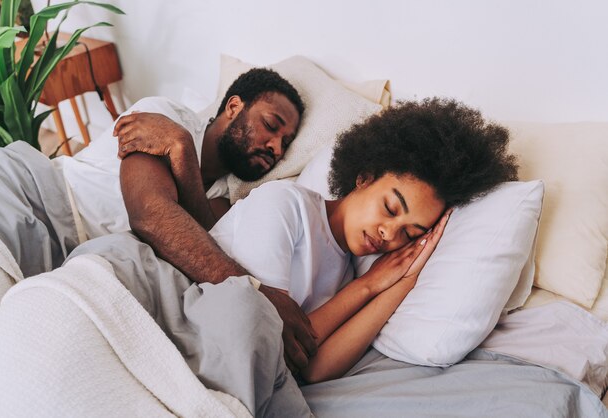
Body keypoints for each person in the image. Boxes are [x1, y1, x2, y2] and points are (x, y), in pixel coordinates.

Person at [206, 97, 519, 383]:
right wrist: (367, 285)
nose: (390, 234)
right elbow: (263, 339)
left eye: (410, 233)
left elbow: (315, 370)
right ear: (364, 177)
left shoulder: (346, 270)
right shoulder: (284, 204)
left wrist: (404, 280)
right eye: (391, 208)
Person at [114, 68, 322, 373]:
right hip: (39, 198)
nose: (276, 149)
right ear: (234, 107)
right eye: (270, 125)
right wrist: (259, 294)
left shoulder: (226, 199)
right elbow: (150, 215)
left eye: (285, 143)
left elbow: (199, 246)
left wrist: (181, 151)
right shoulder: (165, 116)